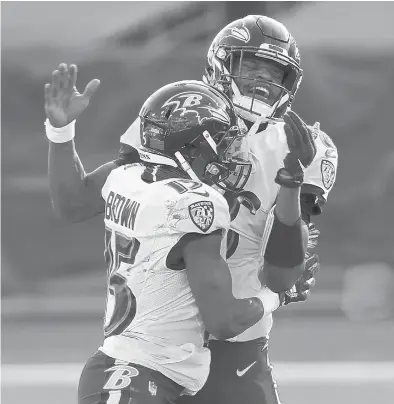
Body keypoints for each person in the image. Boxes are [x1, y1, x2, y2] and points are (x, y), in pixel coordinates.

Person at [45, 15, 337, 404]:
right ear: (221, 64)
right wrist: (61, 133)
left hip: (237, 339)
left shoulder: (302, 148)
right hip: (162, 342)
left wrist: (291, 182)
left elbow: (282, 274)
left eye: (273, 72)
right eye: (249, 65)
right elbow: (81, 200)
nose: (261, 80)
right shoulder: (184, 112)